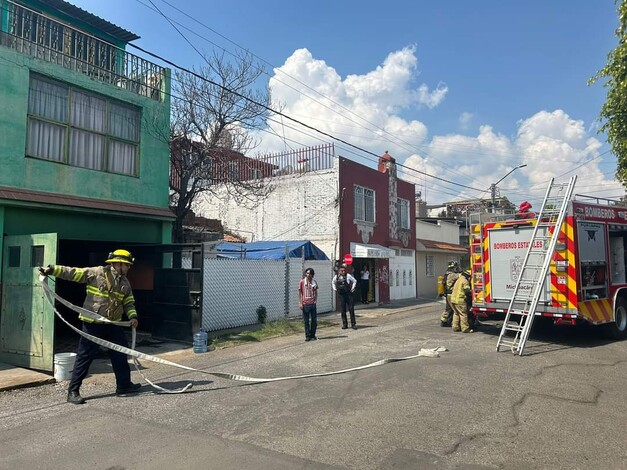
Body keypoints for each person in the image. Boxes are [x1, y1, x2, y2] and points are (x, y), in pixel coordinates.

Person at [39, 249, 141, 404]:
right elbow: (72, 273)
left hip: (113, 325)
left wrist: (133, 316)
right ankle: (73, 391)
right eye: (126, 265)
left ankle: (124, 386)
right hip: (93, 325)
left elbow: (128, 302)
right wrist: (52, 270)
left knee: (120, 355)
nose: (128, 268)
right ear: (118, 264)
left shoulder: (125, 283)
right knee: (84, 357)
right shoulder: (96, 273)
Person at [332, 264, 357, 329]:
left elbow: (354, 281)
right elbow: (333, 282)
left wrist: (352, 288)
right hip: (341, 295)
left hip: (348, 294)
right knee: (343, 310)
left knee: (351, 309)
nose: (343, 272)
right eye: (341, 271)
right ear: (339, 271)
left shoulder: (348, 276)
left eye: (344, 270)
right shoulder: (336, 277)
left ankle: (353, 324)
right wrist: (335, 289)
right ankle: (345, 324)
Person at [298, 267, 319, 341]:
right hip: (305, 303)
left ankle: (312, 335)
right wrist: (300, 303)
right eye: (307, 273)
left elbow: (316, 292)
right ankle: (307, 336)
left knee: (314, 320)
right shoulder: (302, 282)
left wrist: (315, 300)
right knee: (306, 321)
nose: (308, 275)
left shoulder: (314, 282)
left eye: (310, 273)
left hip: (312, 303)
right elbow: (300, 293)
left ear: (312, 275)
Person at [450, 269, 474, 333]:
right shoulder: (465, 281)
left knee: (456, 313)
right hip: (460, 300)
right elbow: (467, 292)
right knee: (463, 314)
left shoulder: (458, 280)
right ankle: (465, 328)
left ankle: (455, 327)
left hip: (453, 300)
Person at [439, 261, 461, 327]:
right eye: (456, 267)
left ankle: (444, 321)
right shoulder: (452, 275)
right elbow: (461, 276)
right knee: (455, 309)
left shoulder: (447, 274)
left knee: (449, 308)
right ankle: (453, 323)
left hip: (448, 294)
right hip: (451, 294)